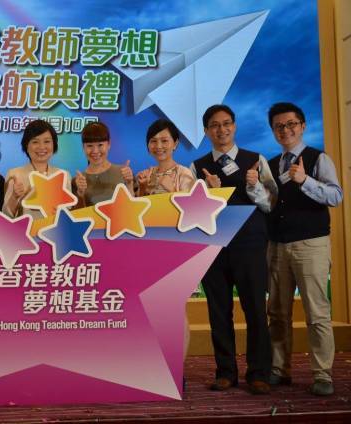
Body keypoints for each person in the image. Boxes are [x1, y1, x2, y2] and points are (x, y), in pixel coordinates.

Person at [190, 104, 277, 395]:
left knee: (255, 310)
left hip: (250, 244)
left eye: (226, 123)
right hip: (214, 246)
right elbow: (192, 213)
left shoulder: (256, 160)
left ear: (235, 126)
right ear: (206, 131)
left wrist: (254, 187)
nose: (222, 129)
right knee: (218, 311)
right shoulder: (197, 167)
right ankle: (225, 372)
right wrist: (210, 193)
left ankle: (259, 373)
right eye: (214, 125)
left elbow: (271, 204)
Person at [266, 102, 343, 396]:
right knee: (277, 312)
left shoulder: (317, 158)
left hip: (311, 244)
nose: (285, 130)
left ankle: (322, 374)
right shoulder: (270, 164)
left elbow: (335, 196)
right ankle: (279, 369)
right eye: (279, 126)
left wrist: (305, 180)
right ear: (273, 131)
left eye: (291, 124)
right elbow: (268, 204)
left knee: (317, 313)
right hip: (276, 245)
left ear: (302, 126)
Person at [136, 119, 195, 371]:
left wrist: (172, 195)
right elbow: (137, 215)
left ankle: (176, 368)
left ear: (175, 143)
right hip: (148, 251)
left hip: (176, 249)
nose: (159, 146)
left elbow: (190, 214)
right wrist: (141, 189)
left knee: (176, 310)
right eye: (153, 141)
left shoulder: (184, 174)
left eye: (164, 140)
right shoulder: (145, 175)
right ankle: (155, 366)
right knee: (151, 311)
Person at [3, 119, 71, 219]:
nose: (41, 147)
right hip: (26, 229)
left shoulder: (64, 175)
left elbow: (69, 213)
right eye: (35, 142)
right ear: (26, 145)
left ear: (54, 144)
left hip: (56, 229)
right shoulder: (15, 174)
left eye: (47, 141)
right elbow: (6, 216)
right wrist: (14, 197)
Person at [72, 121, 133, 208]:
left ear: (109, 144)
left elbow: (133, 207)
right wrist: (80, 193)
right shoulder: (78, 181)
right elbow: (76, 213)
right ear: (83, 147)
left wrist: (129, 183)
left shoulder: (123, 172)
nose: (95, 151)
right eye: (89, 146)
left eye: (100, 145)